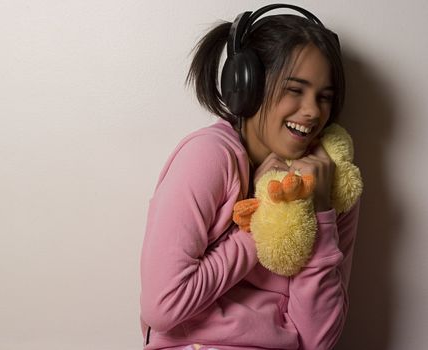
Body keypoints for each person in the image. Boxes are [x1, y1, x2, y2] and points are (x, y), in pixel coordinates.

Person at [140, 4, 360, 350]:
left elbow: (319, 342)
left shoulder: (332, 182)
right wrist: (261, 220)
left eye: (324, 98)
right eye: (294, 89)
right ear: (248, 86)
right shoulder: (209, 157)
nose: (313, 111)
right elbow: (163, 307)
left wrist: (319, 211)